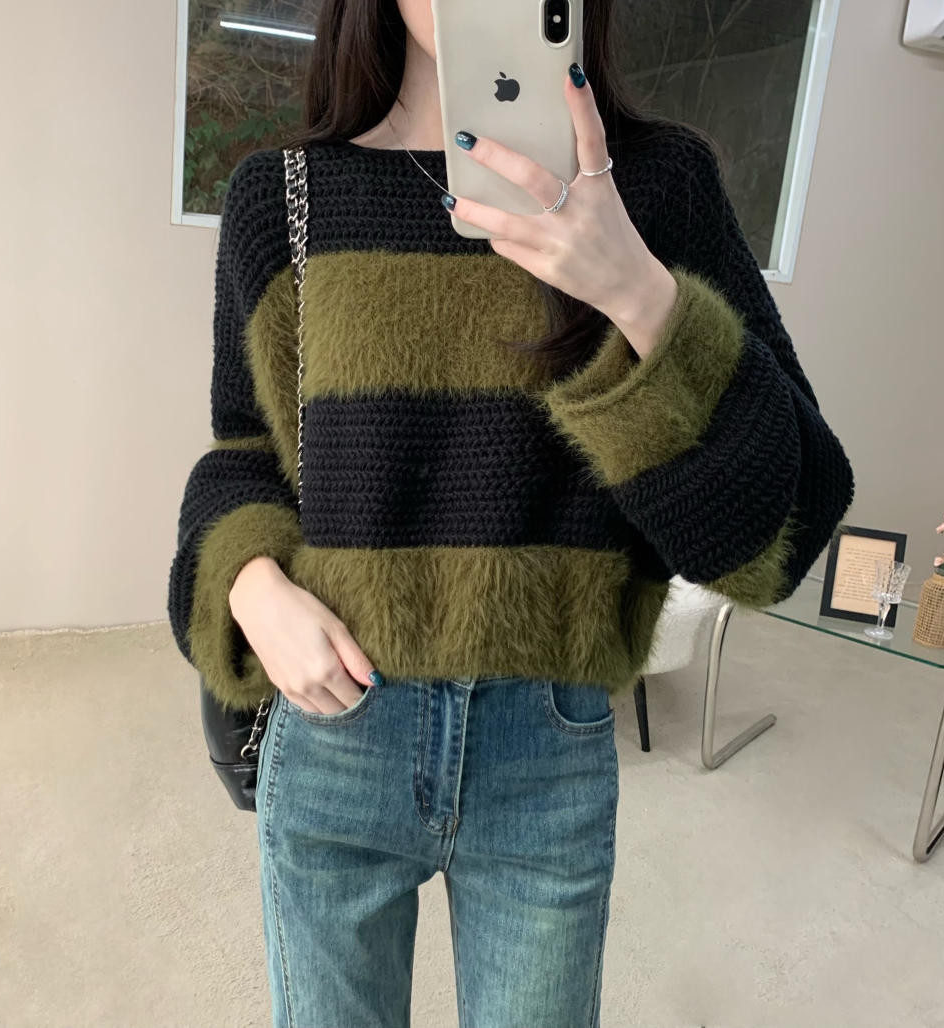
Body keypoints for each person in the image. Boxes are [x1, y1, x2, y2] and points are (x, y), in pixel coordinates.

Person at [168, 0, 854, 1023]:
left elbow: (781, 531)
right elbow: (244, 453)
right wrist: (251, 583)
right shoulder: (285, 196)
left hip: (548, 745)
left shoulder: (657, 187)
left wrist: (638, 292)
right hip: (337, 727)